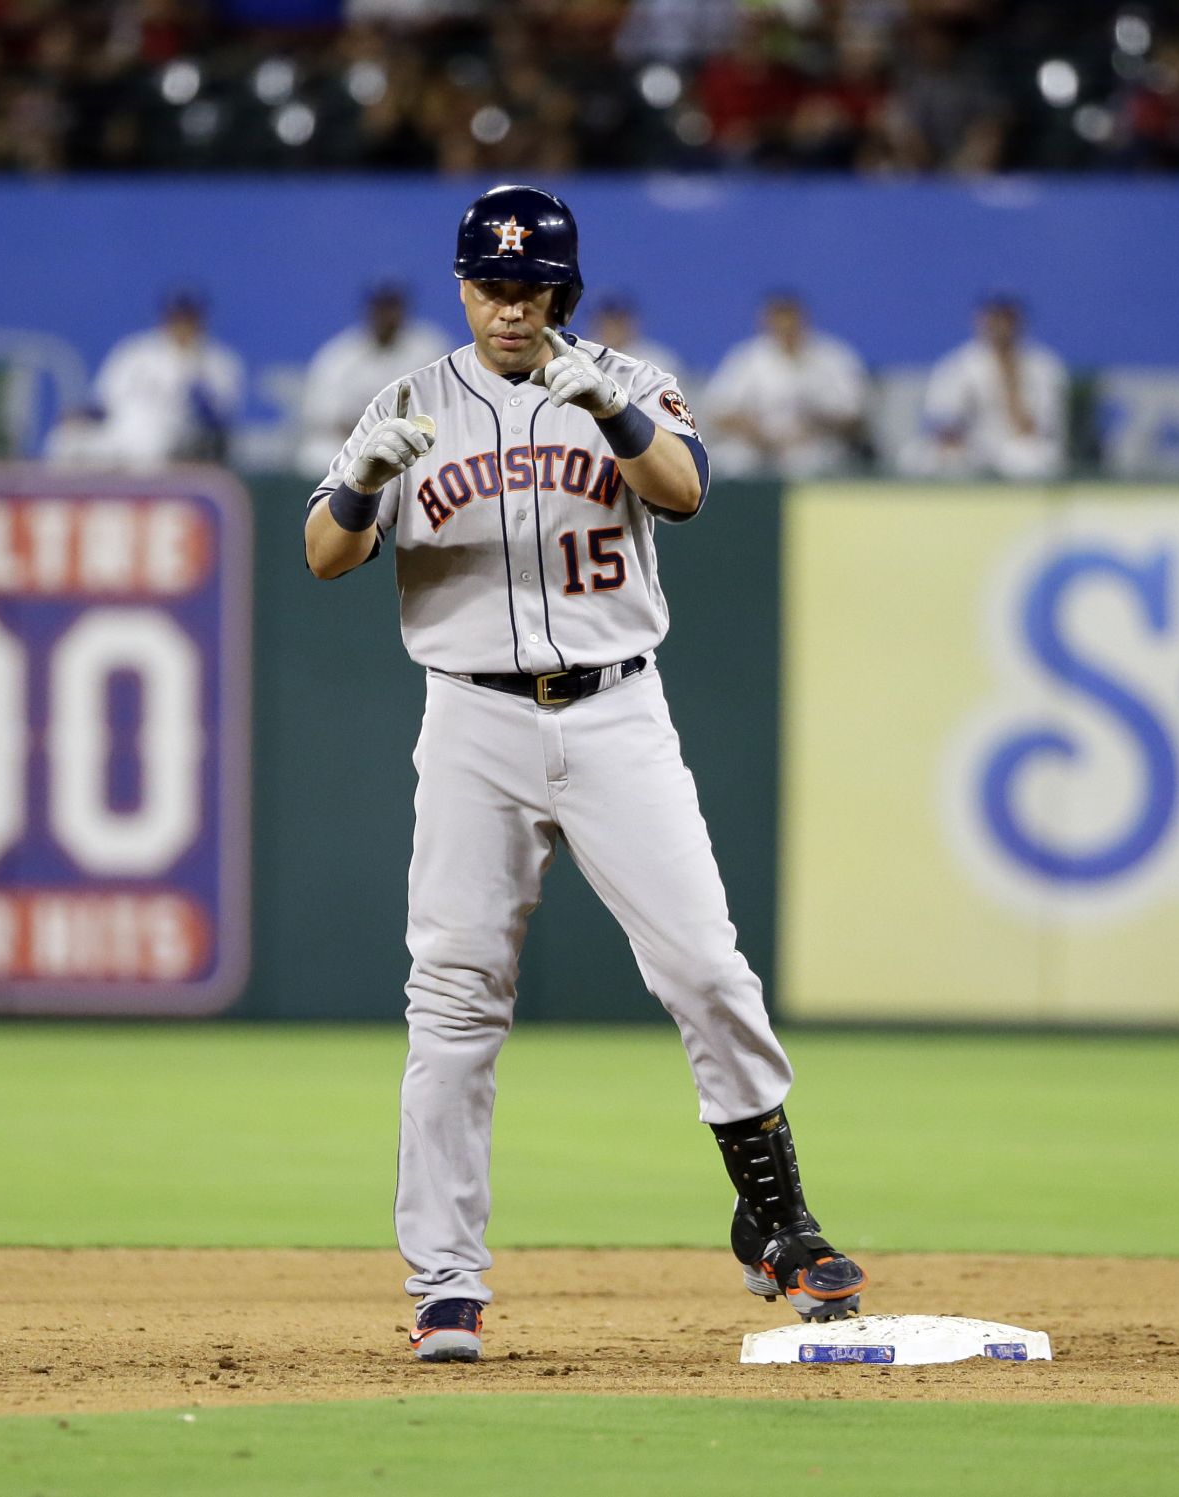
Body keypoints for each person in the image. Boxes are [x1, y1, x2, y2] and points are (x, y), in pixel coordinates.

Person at [303, 184, 866, 1365]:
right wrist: (358, 481)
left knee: (706, 969)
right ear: (461, 286)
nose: (511, 306)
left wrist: (608, 408)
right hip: (469, 720)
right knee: (453, 1003)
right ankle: (445, 1284)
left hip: (615, 710)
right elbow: (323, 557)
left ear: (563, 289)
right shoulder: (405, 402)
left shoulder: (630, 380)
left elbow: (686, 491)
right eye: (490, 284)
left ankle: (776, 1220)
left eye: (531, 286)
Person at [46, 290, 243, 470]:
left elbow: (220, 421)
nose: (182, 325)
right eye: (176, 318)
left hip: (169, 435)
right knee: (65, 438)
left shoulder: (218, 361)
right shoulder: (136, 351)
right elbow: (103, 403)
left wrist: (200, 394)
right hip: (119, 428)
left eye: (188, 319)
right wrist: (81, 417)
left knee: (146, 446)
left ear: (200, 320)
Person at [702, 290, 868, 477]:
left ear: (803, 321)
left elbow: (855, 415)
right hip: (757, 445)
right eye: (778, 322)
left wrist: (816, 426)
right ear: (766, 322)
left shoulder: (832, 357)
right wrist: (758, 434)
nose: (786, 329)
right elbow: (719, 410)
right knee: (731, 462)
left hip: (815, 444)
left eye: (791, 322)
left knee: (808, 462)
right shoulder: (748, 357)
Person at [295, 281, 452, 477]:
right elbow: (326, 418)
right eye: (381, 308)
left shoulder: (429, 348)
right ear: (369, 311)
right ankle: (329, 506)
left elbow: (448, 404)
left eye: (392, 307)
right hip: (355, 441)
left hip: (415, 440)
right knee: (317, 455)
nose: (387, 315)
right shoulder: (340, 355)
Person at [920, 292, 1068, 480]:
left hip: (1020, 449)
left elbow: (1038, 428)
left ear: (1018, 322)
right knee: (928, 457)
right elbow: (942, 421)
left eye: (1006, 318)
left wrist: (1010, 381)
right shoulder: (958, 364)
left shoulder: (1043, 366)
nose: (999, 326)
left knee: (1027, 458)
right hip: (973, 449)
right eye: (993, 318)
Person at [587, 292, 683, 383]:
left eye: (618, 322)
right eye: (606, 322)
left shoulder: (657, 362)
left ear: (633, 324)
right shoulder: (583, 358)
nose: (612, 329)